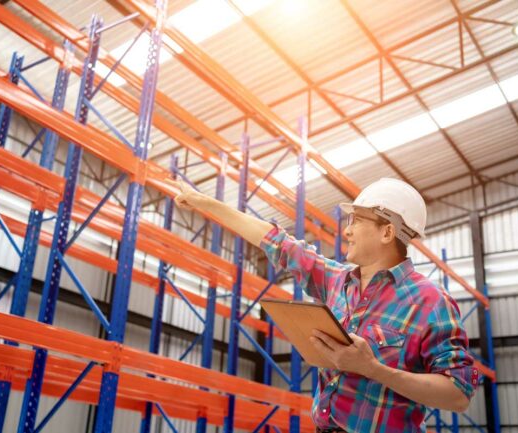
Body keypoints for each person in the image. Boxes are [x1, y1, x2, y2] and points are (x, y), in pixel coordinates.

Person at [167, 177, 478, 433]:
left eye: (356, 220)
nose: (346, 230)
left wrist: (372, 369)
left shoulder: (429, 301)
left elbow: (458, 395)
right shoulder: (337, 281)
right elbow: (279, 244)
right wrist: (206, 203)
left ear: (387, 232)